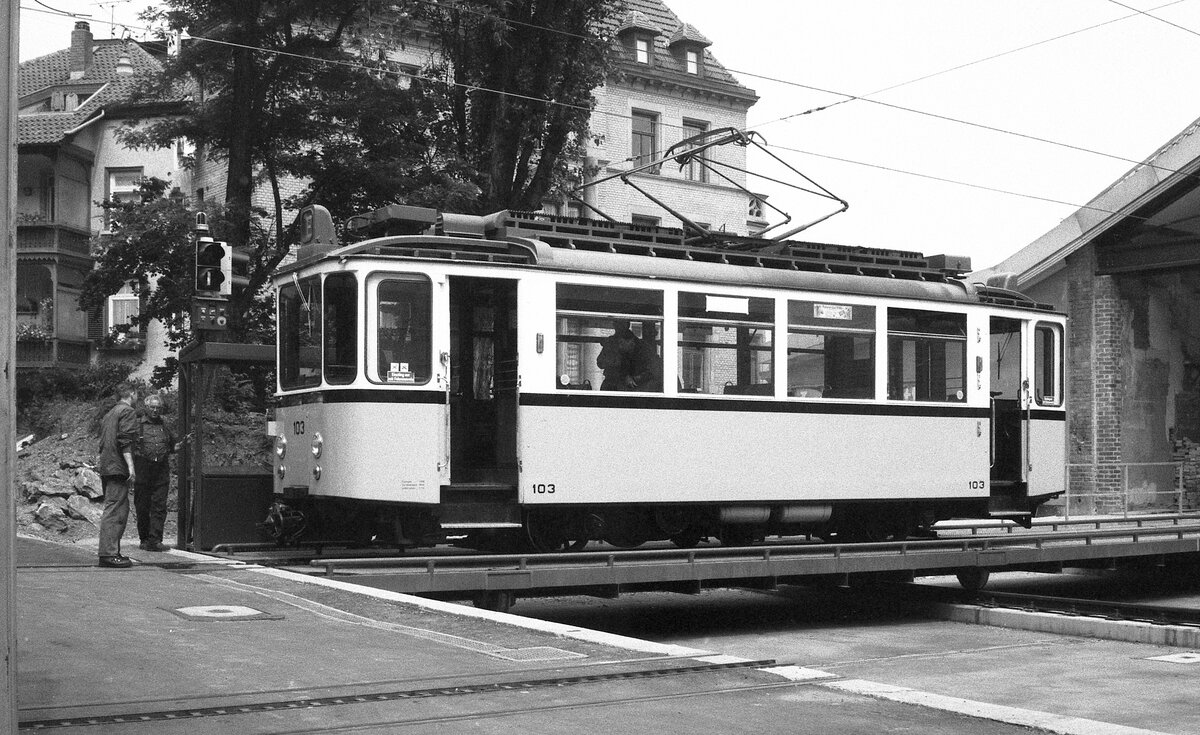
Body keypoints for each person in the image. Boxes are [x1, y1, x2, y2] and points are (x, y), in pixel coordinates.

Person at [133, 393, 185, 552]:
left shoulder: (165, 426)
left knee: (159, 505)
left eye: (158, 407)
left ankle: (155, 540)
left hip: (161, 469)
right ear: (146, 408)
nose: (155, 410)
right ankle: (144, 538)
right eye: (152, 407)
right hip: (143, 468)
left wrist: (181, 445)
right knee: (142, 505)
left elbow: (172, 447)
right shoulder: (137, 425)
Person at [96, 382, 139, 568]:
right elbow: (125, 440)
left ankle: (112, 551)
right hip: (118, 466)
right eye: (136, 395)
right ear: (132, 394)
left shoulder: (109, 414)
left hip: (107, 466)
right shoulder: (127, 412)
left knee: (118, 508)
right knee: (115, 509)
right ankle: (108, 554)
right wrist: (131, 467)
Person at [596, 322, 638, 390]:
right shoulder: (610, 342)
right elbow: (600, 362)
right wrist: (613, 361)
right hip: (610, 382)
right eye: (617, 323)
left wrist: (633, 377)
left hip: (628, 384)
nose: (618, 327)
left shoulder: (636, 343)